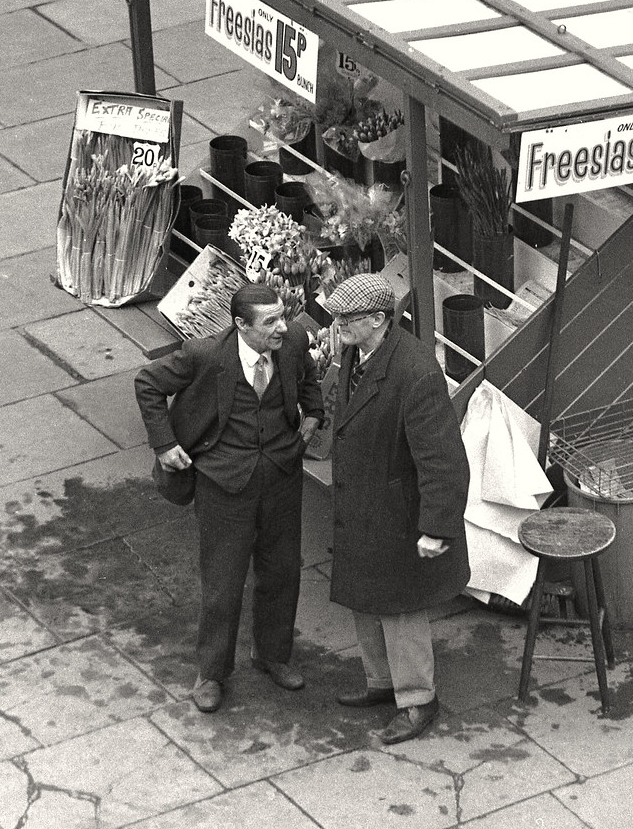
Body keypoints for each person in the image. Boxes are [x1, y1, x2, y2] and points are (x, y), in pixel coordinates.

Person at [134, 284, 324, 713]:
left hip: (281, 477)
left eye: (282, 316)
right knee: (223, 582)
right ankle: (212, 672)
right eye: (270, 322)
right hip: (223, 485)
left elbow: (308, 376)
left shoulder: (292, 341)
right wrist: (164, 444)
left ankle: (273, 655)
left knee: (282, 572)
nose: (282, 327)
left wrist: (313, 415)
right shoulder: (203, 355)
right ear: (241, 325)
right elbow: (147, 383)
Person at [325, 273, 470, 745]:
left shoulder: (416, 371)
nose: (338, 324)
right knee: (365, 598)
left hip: (397, 514)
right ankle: (381, 682)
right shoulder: (358, 350)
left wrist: (436, 528)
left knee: (400, 609)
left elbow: (443, 460)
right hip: (363, 503)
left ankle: (418, 700)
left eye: (347, 318)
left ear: (378, 320)